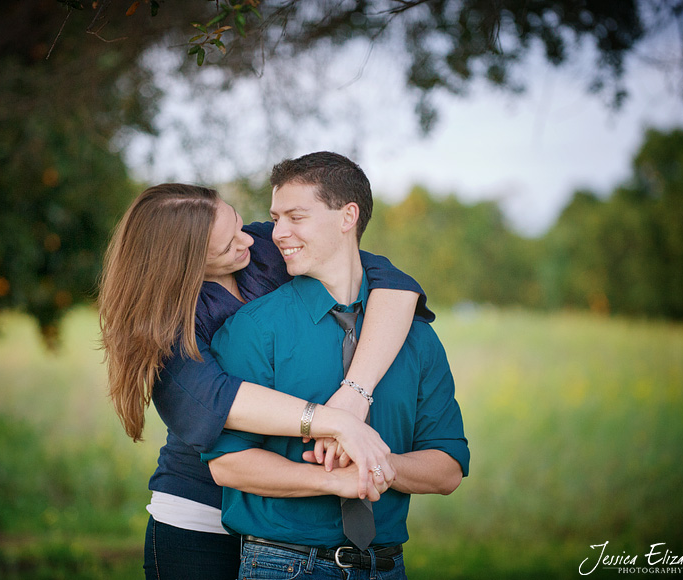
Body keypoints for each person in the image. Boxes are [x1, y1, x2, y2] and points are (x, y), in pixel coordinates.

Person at [97, 183, 435, 580]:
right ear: (185, 264)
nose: (248, 240)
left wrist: (355, 393)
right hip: (203, 522)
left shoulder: (261, 249)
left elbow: (391, 283)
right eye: (227, 246)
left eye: (239, 224)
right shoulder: (160, 331)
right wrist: (337, 422)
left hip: (287, 522)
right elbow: (222, 401)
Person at [202, 152, 470, 579]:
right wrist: (334, 479)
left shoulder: (416, 335)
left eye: (296, 217)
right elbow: (228, 464)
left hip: (387, 565)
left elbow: (449, 468)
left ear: (348, 217)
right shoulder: (252, 331)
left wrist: (375, 462)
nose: (277, 233)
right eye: (275, 218)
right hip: (281, 563)